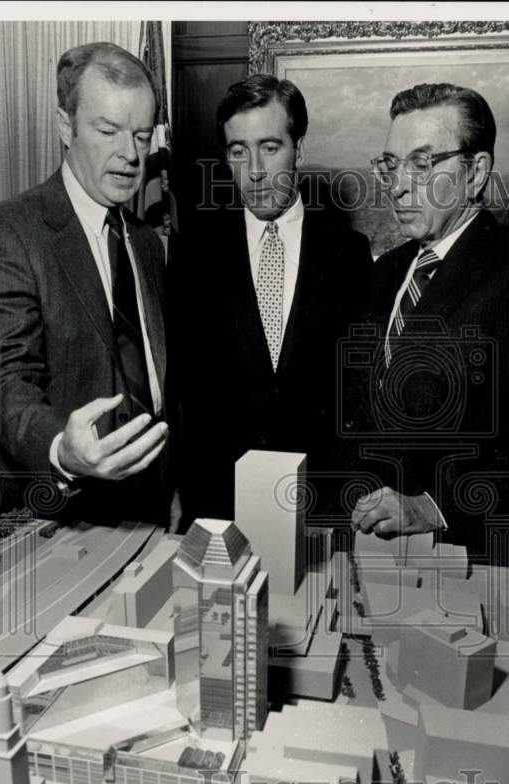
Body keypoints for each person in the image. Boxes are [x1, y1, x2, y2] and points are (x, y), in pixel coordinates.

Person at [348, 82, 509, 565]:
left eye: (422, 164)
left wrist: (431, 507)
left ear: (475, 173)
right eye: (392, 163)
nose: (397, 185)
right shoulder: (388, 270)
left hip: (465, 560)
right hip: (371, 551)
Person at [0, 42, 180, 528]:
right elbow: (4, 381)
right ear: (66, 126)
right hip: (55, 514)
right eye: (108, 131)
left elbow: (161, 376)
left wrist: (173, 482)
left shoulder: (147, 243)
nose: (130, 155)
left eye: (142, 136)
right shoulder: (7, 232)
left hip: (149, 508)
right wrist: (62, 448)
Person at [177, 74, 373, 524]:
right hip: (218, 504)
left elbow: (358, 392)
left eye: (270, 147)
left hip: (319, 505)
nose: (255, 171)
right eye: (238, 151)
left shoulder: (350, 254)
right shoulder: (193, 255)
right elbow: (185, 389)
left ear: (298, 149)